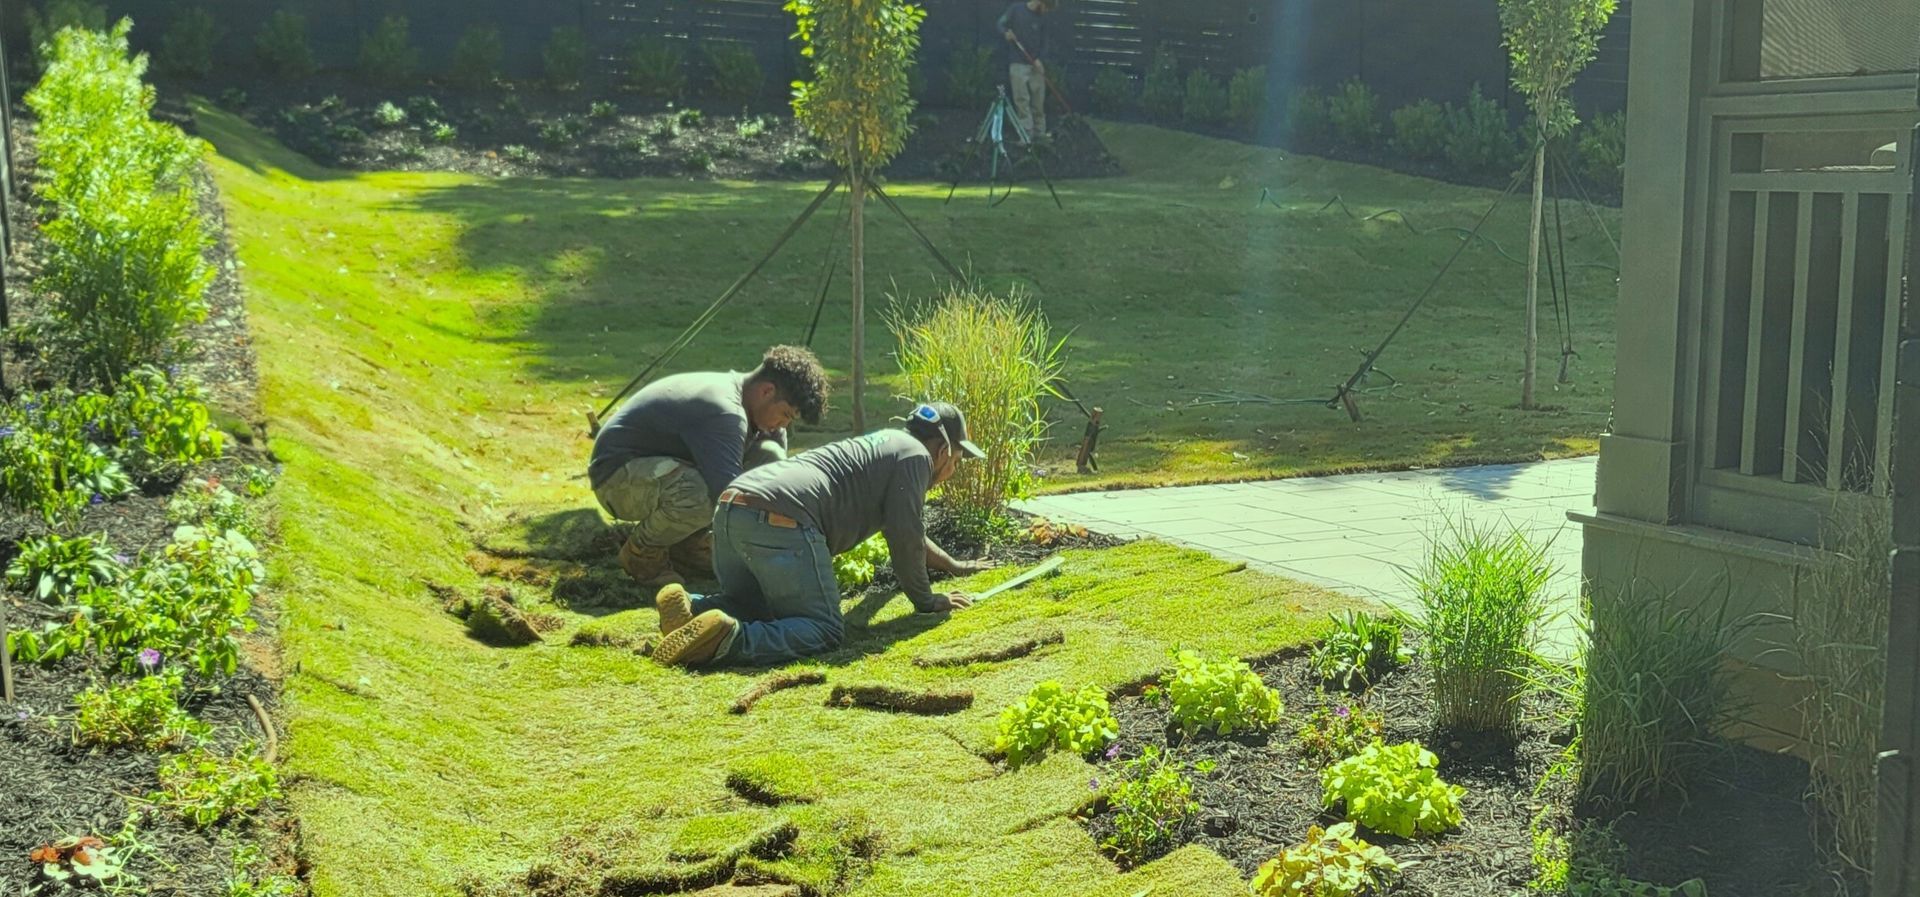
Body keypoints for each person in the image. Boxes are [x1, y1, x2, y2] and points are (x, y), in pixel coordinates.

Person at [652, 402, 997, 667]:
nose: (953, 470)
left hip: (733, 506)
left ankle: (691, 610)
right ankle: (730, 642)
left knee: (757, 606)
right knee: (825, 629)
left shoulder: (891, 447)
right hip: (781, 516)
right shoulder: (916, 458)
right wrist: (927, 601)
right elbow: (905, 538)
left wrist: (954, 565)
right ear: (942, 451)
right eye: (958, 460)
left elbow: (909, 531)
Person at [587, 346, 830, 587]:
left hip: (666, 469)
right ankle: (641, 554)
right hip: (616, 478)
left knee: (770, 456)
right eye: (785, 414)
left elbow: (774, 483)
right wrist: (766, 550)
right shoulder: (725, 411)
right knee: (700, 496)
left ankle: (687, 545)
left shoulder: (758, 418)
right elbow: (727, 495)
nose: (782, 426)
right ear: (767, 391)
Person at [998, 0, 1055, 143]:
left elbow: (1046, 41)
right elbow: (1000, 23)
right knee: (1022, 101)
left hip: (1036, 65)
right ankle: (1026, 135)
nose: (1046, 12)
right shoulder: (1016, 9)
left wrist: (1040, 59)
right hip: (1017, 63)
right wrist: (1006, 32)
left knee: (1038, 100)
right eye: (1046, 8)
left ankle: (1040, 133)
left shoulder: (1043, 18)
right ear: (1040, 2)